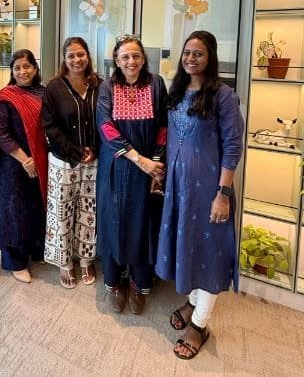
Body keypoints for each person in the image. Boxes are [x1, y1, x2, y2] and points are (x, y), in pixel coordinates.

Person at [155, 31, 244, 359]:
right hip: (179, 189)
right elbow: (170, 137)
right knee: (188, 247)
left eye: (199, 54)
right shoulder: (177, 91)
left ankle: (200, 324)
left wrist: (223, 193)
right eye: (187, 52)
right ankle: (193, 303)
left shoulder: (223, 96)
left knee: (210, 253)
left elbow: (233, 146)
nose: (191, 58)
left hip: (209, 190)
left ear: (211, 58)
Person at [96, 35, 167, 315]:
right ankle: (115, 283)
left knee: (143, 224)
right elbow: (105, 127)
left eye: (136, 55)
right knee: (114, 221)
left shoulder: (157, 84)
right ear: (116, 60)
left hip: (149, 167)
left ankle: (139, 283)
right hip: (117, 165)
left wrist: (156, 163)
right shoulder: (107, 87)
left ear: (143, 58)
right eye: (125, 56)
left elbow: (163, 126)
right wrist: (139, 160)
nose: (131, 61)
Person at [41, 36, 101, 289]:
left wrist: (94, 149)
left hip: (95, 160)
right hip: (64, 161)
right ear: (64, 60)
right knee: (62, 211)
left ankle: (86, 259)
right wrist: (76, 152)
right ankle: (65, 262)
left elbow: (107, 121)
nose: (77, 60)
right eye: (71, 56)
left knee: (89, 213)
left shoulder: (99, 85)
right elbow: (50, 127)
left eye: (81, 54)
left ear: (88, 56)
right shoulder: (54, 87)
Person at [0, 49, 47, 283]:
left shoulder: (43, 93)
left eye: (27, 66)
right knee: (14, 211)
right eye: (17, 68)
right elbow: (2, 134)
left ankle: (35, 250)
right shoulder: (7, 96)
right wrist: (25, 160)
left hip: (39, 161)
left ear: (35, 68)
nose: (23, 71)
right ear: (12, 72)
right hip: (13, 165)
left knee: (36, 207)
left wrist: (37, 160)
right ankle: (15, 261)